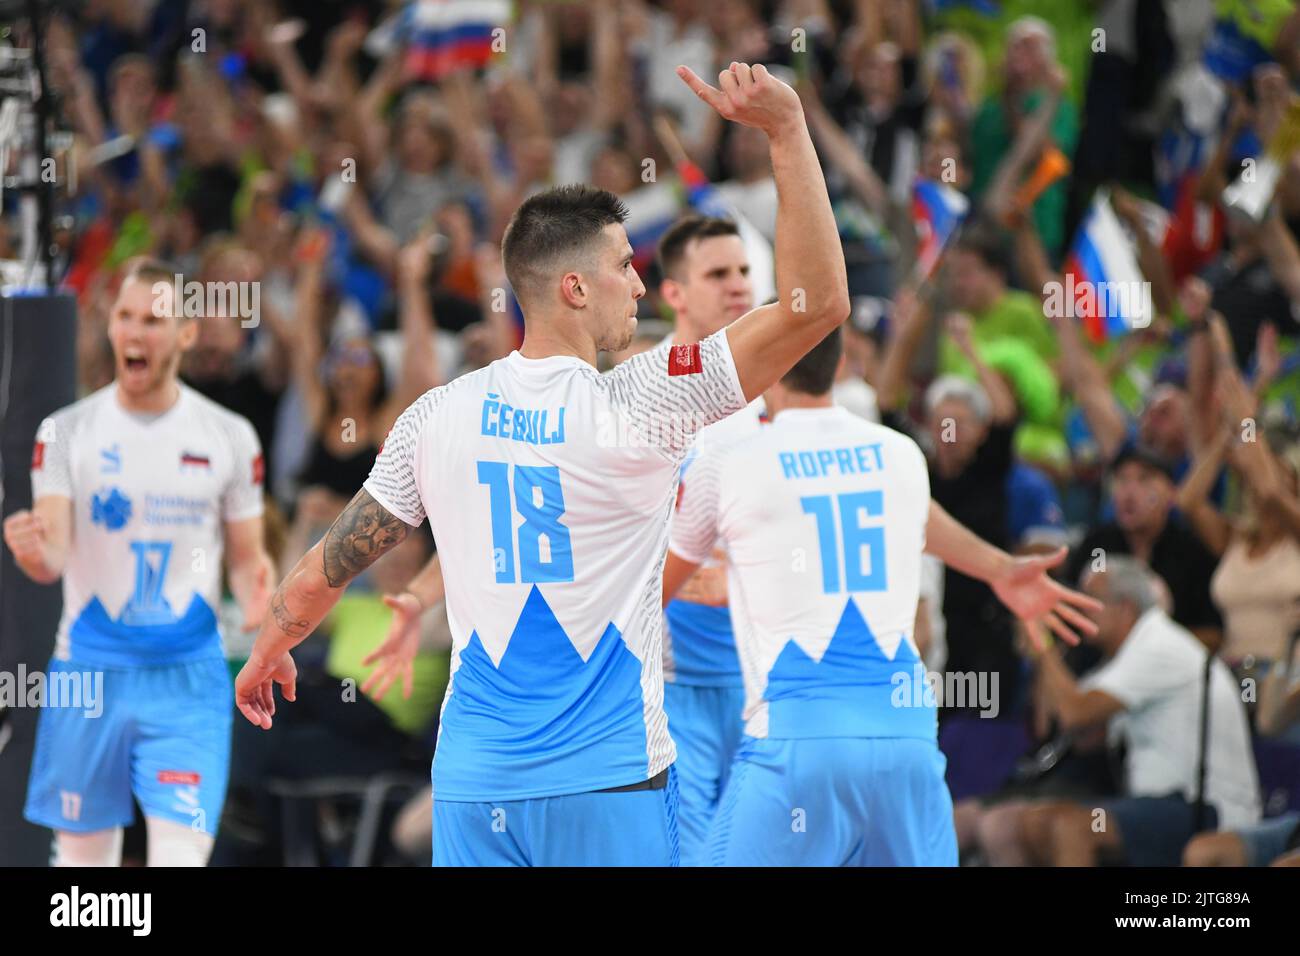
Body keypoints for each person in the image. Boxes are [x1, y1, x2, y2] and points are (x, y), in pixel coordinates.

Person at [234, 61, 851, 867]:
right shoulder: (642, 399)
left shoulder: (436, 413)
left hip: (475, 786)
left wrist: (270, 646)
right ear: (573, 288)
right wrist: (788, 130)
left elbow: (332, 562)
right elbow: (818, 308)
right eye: (626, 265)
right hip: (609, 784)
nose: (640, 285)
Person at [661, 325, 1102, 865]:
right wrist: (1002, 568)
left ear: (764, 367)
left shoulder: (730, 462)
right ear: (843, 360)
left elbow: (652, 592)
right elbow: (922, 520)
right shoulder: (900, 456)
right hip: (907, 739)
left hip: (799, 737)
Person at [3, 258, 276, 866]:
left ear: (186, 333)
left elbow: (247, 559)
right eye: (124, 317)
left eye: (153, 321)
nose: (134, 333)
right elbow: (50, 556)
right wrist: (32, 550)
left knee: (179, 859)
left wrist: (261, 598)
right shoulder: (65, 433)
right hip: (88, 674)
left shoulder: (229, 436)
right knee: (83, 878)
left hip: (186, 678)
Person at [980, 557, 1260, 867]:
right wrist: (1038, 653)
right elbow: (1061, 728)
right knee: (1024, 823)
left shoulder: (1158, 645)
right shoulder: (1122, 656)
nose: (1080, 610)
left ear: (1125, 607)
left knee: (1070, 827)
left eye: (1091, 601)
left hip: (1204, 807)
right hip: (1156, 803)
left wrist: (1042, 641)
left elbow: (1075, 713)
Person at [651, 214, 764, 865]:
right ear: (674, 294)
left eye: (745, 271)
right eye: (718, 274)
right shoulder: (642, 399)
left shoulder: (774, 404)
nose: (738, 286)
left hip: (761, 682)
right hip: (669, 683)